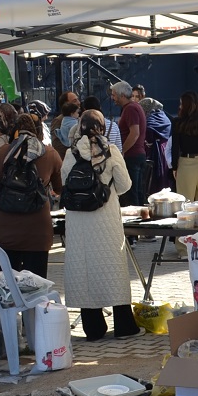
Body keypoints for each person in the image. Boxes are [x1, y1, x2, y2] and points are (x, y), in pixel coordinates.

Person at [61, 110, 137, 340]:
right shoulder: (110, 151)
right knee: (112, 269)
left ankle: (93, 329)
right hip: (106, 220)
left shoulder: (71, 153)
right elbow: (124, 185)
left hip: (78, 222)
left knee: (84, 271)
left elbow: (65, 181)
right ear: (102, 127)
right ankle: (124, 326)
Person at [0, 113, 62, 278]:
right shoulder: (49, 153)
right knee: (36, 284)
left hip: (5, 230)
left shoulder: (3, 152)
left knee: (7, 283)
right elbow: (60, 187)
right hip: (37, 231)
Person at [171, 92, 198, 201]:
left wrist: (174, 166)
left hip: (186, 163)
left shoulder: (177, 122)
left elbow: (175, 147)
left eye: (181, 103)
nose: (180, 106)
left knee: (185, 202)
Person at [116, 82, 151, 198]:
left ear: (122, 95)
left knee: (132, 195)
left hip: (132, 157)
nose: (112, 98)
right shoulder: (134, 107)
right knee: (138, 193)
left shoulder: (130, 108)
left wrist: (122, 151)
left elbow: (135, 133)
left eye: (114, 95)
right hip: (137, 156)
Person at [142, 95, 175, 194]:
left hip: (155, 152)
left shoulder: (151, 119)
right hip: (165, 150)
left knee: (154, 182)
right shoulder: (164, 117)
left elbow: (148, 133)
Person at [50, 91, 79, 157]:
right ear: (66, 104)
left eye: (78, 99)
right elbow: (56, 143)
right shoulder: (59, 120)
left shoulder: (78, 117)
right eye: (74, 101)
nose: (78, 103)